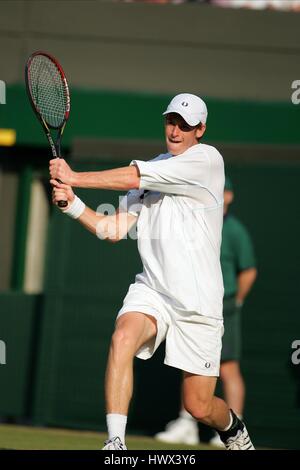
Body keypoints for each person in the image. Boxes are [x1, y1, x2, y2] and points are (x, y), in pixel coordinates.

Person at [50, 93, 255, 450]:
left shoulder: (206, 160)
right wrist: (72, 205)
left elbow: (132, 176)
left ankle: (234, 430)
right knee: (122, 338)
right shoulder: (152, 169)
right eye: (171, 121)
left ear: (200, 130)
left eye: (185, 125)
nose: (175, 131)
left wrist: (74, 175)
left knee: (199, 405)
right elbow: (111, 229)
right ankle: (115, 442)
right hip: (155, 291)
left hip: (199, 302)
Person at [154, 176, 257, 447]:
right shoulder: (195, 226)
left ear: (230, 196)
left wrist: (236, 302)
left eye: (222, 192)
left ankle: (234, 429)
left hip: (225, 305)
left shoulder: (233, 230)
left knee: (228, 367)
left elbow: (248, 271)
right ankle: (186, 424)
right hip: (194, 303)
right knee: (189, 364)